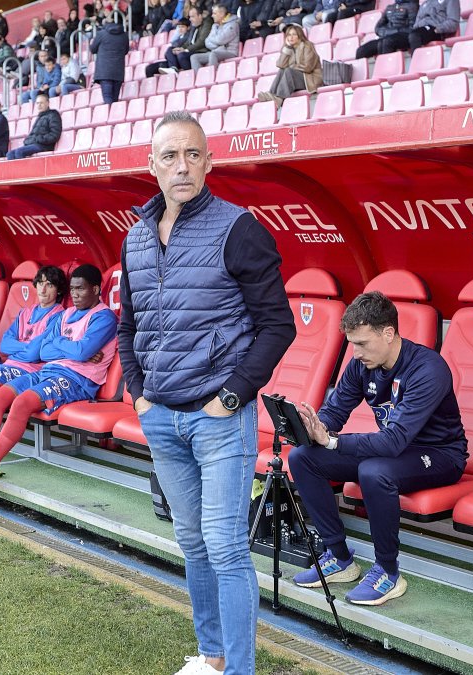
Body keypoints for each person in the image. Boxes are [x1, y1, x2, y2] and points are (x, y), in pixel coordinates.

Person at [118, 111, 296, 675]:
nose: (182, 166)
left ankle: (239, 670)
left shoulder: (238, 228)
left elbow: (277, 325)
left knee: (225, 548)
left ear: (209, 162)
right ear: (151, 166)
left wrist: (233, 396)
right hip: (161, 417)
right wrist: (139, 394)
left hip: (219, 419)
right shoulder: (137, 235)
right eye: (169, 156)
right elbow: (129, 325)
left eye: (193, 154)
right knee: (193, 545)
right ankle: (213, 657)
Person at [288, 292, 468, 605]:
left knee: (373, 471)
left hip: (439, 456)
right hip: (395, 451)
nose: (355, 352)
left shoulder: (428, 368)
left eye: (362, 343)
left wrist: (332, 442)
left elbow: (394, 440)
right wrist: (315, 428)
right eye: (352, 344)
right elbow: (336, 410)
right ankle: (339, 557)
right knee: (303, 457)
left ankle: (387, 570)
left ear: (388, 333)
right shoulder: (363, 364)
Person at [0, 264, 118, 486]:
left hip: (77, 380)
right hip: (48, 370)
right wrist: (72, 346)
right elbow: (46, 351)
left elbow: (82, 352)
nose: (74, 294)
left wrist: (65, 345)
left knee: (22, 403)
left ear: (95, 289)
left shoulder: (104, 317)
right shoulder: (69, 313)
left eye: (80, 289)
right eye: (72, 289)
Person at [0, 265, 68, 388]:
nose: (43, 290)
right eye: (41, 284)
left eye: (50, 285)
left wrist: (18, 349)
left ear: (58, 290)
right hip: (7, 365)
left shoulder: (59, 316)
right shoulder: (26, 312)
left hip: (29, 371)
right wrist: (27, 346)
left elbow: (34, 354)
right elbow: (4, 346)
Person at [258, 24, 320, 106]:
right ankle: (272, 94)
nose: (291, 37)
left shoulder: (307, 46)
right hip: (296, 79)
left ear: (300, 35)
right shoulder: (290, 47)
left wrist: (292, 67)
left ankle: (279, 98)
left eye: (294, 34)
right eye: (289, 35)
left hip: (310, 79)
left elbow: (308, 67)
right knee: (282, 70)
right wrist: (287, 48)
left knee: (288, 70)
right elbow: (280, 64)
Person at [6, 94, 63, 159]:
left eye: (41, 103)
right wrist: (27, 141)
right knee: (10, 154)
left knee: (19, 152)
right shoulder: (39, 117)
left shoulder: (53, 115)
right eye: (37, 103)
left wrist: (38, 139)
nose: (39, 105)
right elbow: (32, 135)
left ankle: (24, 169)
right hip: (35, 144)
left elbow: (54, 135)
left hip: (45, 146)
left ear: (47, 103)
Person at [90, 11, 129, 104]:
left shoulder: (101, 34)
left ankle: (110, 115)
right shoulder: (124, 35)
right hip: (118, 71)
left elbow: (92, 49)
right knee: (115, 99)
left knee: (107, 98)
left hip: (104, 71)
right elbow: (126, 51)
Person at [161, 7, 213, 73]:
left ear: (200, 16)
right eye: (189, 17)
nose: (190, 19)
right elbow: (188, 42)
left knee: (181, 55)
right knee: (170, 50)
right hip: (190, 51)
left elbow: (201, 42)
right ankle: (173, 68)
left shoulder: (207, 23)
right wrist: (181, 48)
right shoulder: (193, 25)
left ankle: (190, 75)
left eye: (192, 16)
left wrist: (185, 50)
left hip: (200, 51)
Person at [190, 4, 240, 71]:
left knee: (213, 54)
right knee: (194, 57)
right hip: (216, 51)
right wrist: (218, 45)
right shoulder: (215, 25)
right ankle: (200, 78)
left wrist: (215, 42)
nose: (212, 16)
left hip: (230, 52)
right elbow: (207, 42)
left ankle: (212, 76)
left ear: (222, 14)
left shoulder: (232, 24)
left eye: (214, 13)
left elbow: (220, 40)